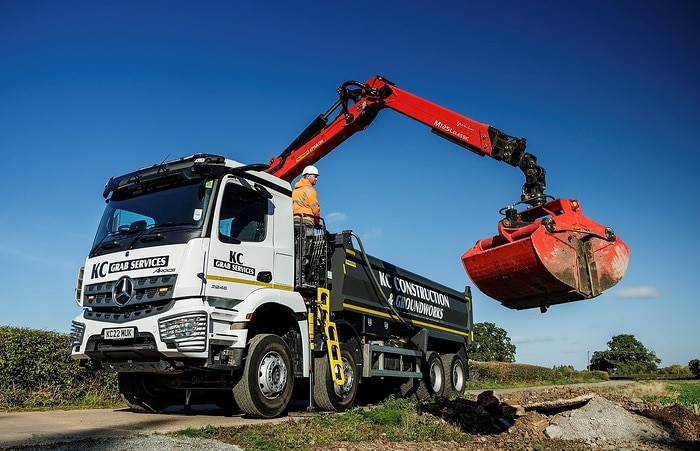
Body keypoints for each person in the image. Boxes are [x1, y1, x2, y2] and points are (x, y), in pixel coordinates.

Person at [292, 165, 321, 286]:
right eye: (315, 176)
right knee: (304, 252)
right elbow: (315, 209)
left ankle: (293, 277)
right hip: (306, 223)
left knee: (294, 251)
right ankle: (300, 280)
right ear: (308, 176)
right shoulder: (310, 191)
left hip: (295, 222)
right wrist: (317, 222)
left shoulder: (295, 191)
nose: (316, 179)